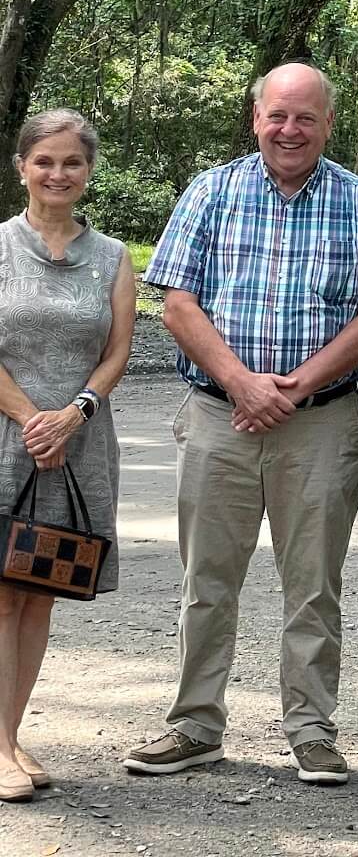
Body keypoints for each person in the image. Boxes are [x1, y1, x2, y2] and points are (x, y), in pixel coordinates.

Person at [124, 63, 358, 785]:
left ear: (328, 125)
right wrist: (242, 384)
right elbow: (177, 303)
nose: (290, 130)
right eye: (278, 115)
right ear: (255, 118)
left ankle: (311, 731)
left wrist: (293, 386)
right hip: (220, 418)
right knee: (206, 579)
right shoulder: (212, 192)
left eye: (305, 118)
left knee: (312, 584)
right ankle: (194, 726)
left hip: (321, 423)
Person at [0, 111, 135, 802]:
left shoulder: (112, 256)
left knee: (36, 593)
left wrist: (73, 415)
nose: (58, 174)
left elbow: (117, 351)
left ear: (88, 172)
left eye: (72, 163)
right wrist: (31, 420)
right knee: (0, 597)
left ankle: (10, 735)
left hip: (76, 446)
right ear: (21, 165)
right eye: (44, 160)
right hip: (7, 440)